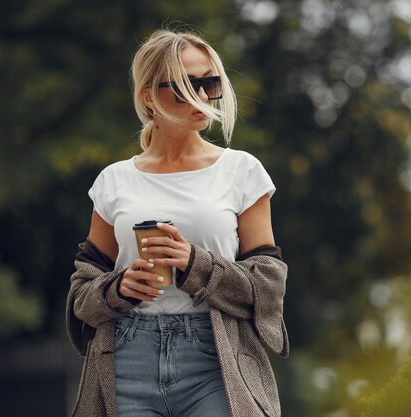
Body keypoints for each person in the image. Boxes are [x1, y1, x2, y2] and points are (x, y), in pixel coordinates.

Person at [65, 29, 289, 417]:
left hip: (217, 359)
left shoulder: (242, 171)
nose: (203, 97)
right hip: (126, 354)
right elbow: (81, 296)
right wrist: (119, 287)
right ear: (148, 95)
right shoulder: (114, 181)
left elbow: (268, 287)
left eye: (210, 83)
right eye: (186, 85)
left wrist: (193, 264)